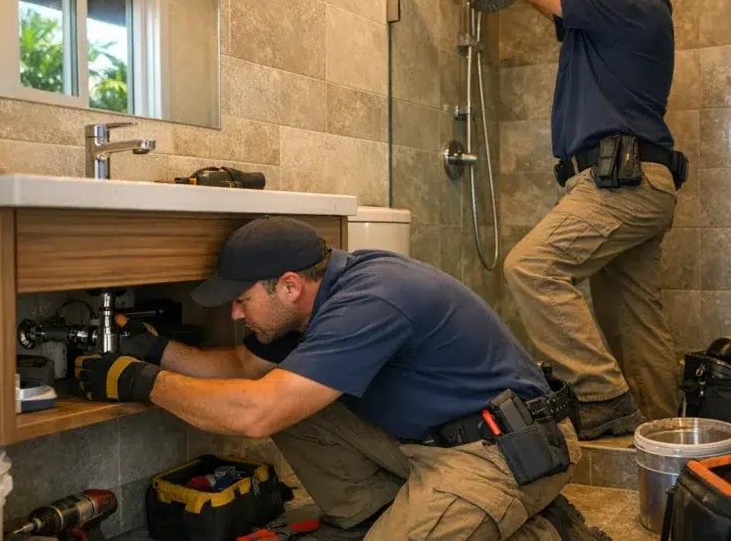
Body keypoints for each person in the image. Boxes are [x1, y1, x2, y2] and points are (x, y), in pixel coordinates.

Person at [74, 217, 610, 541]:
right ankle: (388, 516)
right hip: (431, 442)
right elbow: (242, 369)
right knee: (293, 400)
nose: (236, 316)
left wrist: (142, 383)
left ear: (287, 286)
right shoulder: (318, 294)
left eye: (242, 301)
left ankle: (542, 528)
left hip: (505, 452)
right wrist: (154, 350)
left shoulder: (372, 298)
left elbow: (259, 412)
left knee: (275, 405)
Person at [440, 0, 685, 439]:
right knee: (634, 320)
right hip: (636, 181)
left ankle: (603, 399)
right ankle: (665, 448)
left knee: (531, 267)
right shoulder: (620, 8)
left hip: (619, 183)